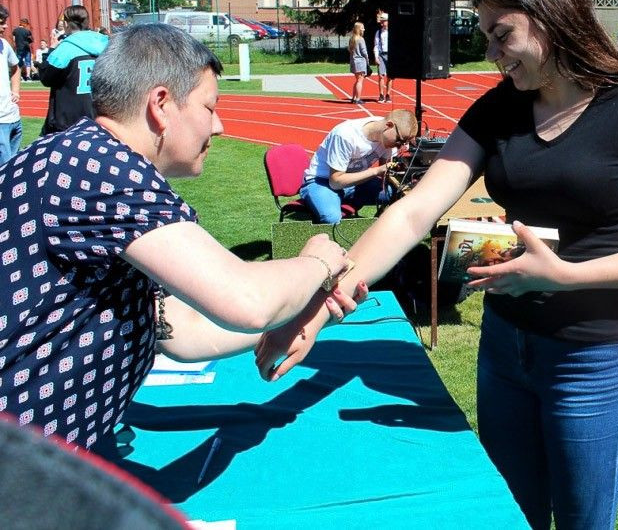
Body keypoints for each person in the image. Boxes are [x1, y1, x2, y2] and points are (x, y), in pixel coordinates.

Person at [256, 0, 618, 530]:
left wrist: (565, 275)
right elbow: (414, 214)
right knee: (510, 516)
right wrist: (319, 309)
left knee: (582, 522)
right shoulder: (498, 108)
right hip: (505, 348)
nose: (490, 54)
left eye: (501, 35)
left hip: (589, 355)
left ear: (550, 16)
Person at [0, 23, 355, 452]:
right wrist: (319, 261)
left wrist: (307, 308)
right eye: (210, 106)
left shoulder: (77, 157)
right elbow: (246, 302)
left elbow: (181, 331)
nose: (219, 126)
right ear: (162, 105)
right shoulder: (102, 171)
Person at [299, 109, 417, 223]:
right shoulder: (345, 135)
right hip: (322, 181)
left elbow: (386, 175)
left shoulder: (387, 137)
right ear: (389, 125)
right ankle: (327, 202)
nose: (400, 145)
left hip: (355, 182)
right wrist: (376, 171)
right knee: (331, 217)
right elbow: (335, 182)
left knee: (398, 192)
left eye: (404, 143)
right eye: (400, 140)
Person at [38, 5, 109, 135]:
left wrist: (51, 50)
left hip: (69, 122)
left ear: (65, 23)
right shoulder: (106, 45)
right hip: (100, 117)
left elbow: (46, 77)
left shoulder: (65, 49)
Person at [0, 6, 22, 164]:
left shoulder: (4, 44)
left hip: (13, 117)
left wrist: (15, 91)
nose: (6, 26)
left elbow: (15, 67)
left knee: (14, 165)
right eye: (1, 23)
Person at [348, 21, 370, 104]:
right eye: (362, 28)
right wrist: (367, 60)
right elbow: (364, 52)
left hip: (353, 61)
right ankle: (358, 99)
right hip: (360, 62)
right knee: (360, 81)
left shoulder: (352, 39)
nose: (364, 30)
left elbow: (350, 50)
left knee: (357, 80)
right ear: (359, 29)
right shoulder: (361, 39)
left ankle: (353, 98)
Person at [374, 12, 392, 103]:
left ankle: (388, 94)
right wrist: (376, 57)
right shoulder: (379, 32)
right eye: (381, 21)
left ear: (387, 21)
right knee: (381, 75)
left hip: (390, 54)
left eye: (383, 21)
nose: (381, 23)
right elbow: (376, 45)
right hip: (381, 54)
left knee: (390, 76)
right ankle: (381, 94)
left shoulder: (392, 31)